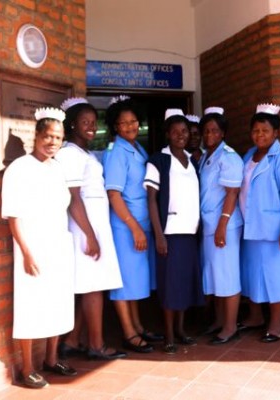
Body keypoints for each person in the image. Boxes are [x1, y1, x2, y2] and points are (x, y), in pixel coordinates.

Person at [2, 107, 76, 389]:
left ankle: (51, 358)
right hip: (32, 248)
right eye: (47, 136)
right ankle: (27, 367)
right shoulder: (19, 169)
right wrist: (27, 252)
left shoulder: (58, 168)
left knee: (56, 302)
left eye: (57, 138)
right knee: (30, 305)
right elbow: (14, 216)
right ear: (36, 136)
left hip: (57, 244)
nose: (52, 143)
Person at [54, 98, 126, 361]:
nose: (91, 127)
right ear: (72, 124)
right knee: (93, 287)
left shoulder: (85, 153)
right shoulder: (70, 153)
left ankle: (73, 341)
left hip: (94, 224)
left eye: (94, 123)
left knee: (92, 285)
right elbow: (74, 198)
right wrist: (90, 235)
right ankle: (96, 345)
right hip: (85, 227)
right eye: (85, 122)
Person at [238, 103, 280, 343]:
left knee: (277, 277)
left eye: (265, 131)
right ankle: (255, 316)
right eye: (255, 130)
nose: (259, 135)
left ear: (276, 133)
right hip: (253, 227)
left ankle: (276, 323)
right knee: (253, 274)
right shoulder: (249, 155)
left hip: (275, 230)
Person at [103, 96, 159, 354]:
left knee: (136, 279)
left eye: (133, 121)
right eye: (123, 123)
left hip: (140, 223)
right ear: (115, 126)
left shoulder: (137, 148)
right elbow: (114, 194)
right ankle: (128, 333)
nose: (129, 126)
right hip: (126, 227)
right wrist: (134, 227)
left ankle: (138, 326)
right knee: (124, 282)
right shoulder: (117, 152)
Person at [145, 109, 204, 354]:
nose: (181, 135)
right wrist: (158, 234)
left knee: (185, 284)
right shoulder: (158, 160)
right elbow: (151, 199)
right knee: (170, 285)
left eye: (184, 132)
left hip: (189, 233)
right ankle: (168, 334)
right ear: (167, 134)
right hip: (169, 234)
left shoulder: (192, 161)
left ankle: (180, 330)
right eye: (175, 132)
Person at [197, 107, 244, 344]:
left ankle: (230, 326)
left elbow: (232, 193)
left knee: (227, 275)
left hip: (223, 224)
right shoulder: (206, 156)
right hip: (209, 224)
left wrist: (223, 224)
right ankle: (218, 321)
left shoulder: (229, 157)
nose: (209, 134)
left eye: (214, 130)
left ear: (223, 133)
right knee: (213, 274)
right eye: (206, 130)